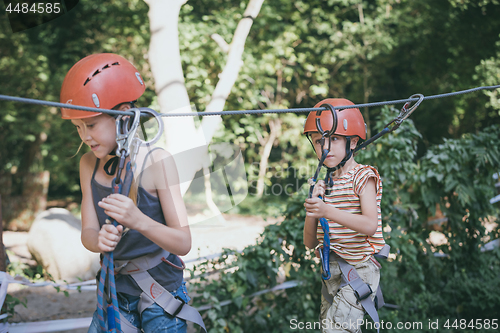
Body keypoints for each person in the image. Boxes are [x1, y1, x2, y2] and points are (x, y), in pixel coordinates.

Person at [60, 53, 196, 333]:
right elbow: (88, 232)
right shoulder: (88, 164)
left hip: (162, 292)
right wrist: (99, 240)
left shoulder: (157, 161)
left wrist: (138, 220)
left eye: (92, 125)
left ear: (124, 116)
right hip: (116, 292)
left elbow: (182, 242)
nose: (85, 136)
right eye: (78, 128)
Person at [302, 98, 386, 333]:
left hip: (359, 269)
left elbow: (370, 225)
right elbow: (309, 242)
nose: (325, 147)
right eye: (319, 141)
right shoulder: (322, 184)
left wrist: (327, 210)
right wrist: (314, 208)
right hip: (331, 273)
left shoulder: (363, 177)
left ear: (354, 141)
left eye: (334, 138)